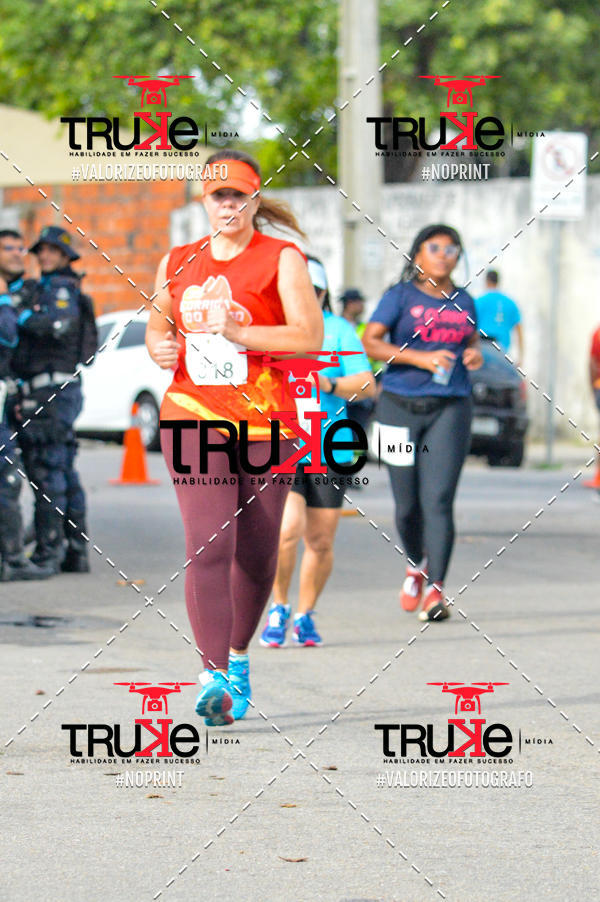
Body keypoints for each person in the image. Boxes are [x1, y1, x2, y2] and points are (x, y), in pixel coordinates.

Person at [146, 149, 323, 726]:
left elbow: (308, 337)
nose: (228, 204)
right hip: (192, 412)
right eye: (218, 195)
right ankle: (213, 673)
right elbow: (156, 323)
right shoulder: (177, 259)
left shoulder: (282, 258)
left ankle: (240, 658)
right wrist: (158, 346)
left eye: (238, 195)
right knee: (209, 543)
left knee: (256, 549)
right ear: (204, 200)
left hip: (267, 420)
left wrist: (241, 331)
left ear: (253, 199)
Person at [362, 224, 482, 622]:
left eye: (453, 248)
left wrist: (473, 355)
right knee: (406, 505)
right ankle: (415, 564)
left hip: (450, 407)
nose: (445, 254)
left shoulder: (465, 300)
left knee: (439, 501)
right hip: (398, 407)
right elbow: (372, 342)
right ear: (417, 254)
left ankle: (436, 591)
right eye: (436, 247)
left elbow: (471, 341)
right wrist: (421, 358)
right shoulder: (398, 297)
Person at [260, 257, 375, 648]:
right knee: (287, 530)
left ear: (323, 294)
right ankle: (278, 605)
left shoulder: (340, 330)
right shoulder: (274, 331)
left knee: (321, 540)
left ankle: (305, 615)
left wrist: (330, 382)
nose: (305, 296)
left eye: (314, 290)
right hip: (284, 441)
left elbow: (367, 385)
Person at [10, 225, 97, 573]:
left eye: (51, 251)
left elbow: (55, 326)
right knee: (62, 469)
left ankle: (50, 551)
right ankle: (75, 551)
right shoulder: (43, 288)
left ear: (64, 256)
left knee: (48, 471)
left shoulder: (61, 290)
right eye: (40, 251)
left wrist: (20, 313)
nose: (43, 256)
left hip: (54, 390)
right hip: (48, 389)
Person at [0, 230, 53, 580]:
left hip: (15, 396)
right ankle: (13, 560)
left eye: (21, 248)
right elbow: (7, 335)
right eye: (8, 248)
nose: (18, 253)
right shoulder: (7, 296)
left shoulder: (31, 290)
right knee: (6, 478)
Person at [475, 270, 523, 364]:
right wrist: (520, 357)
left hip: (482, 352)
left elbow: (469, 327)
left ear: (486, 281)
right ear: (498, 281)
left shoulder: (479, 301)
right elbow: (519, 330)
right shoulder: (510, 303)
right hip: (502, 353)